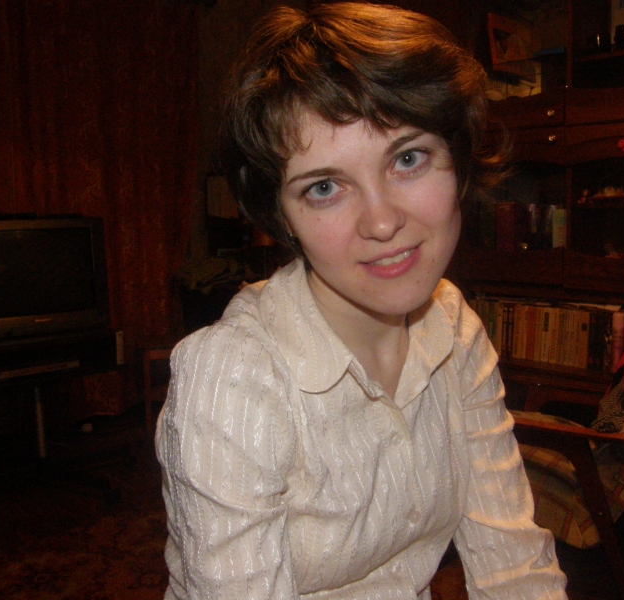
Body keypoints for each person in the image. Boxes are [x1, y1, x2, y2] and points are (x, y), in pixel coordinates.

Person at [155, 3, 568, 599]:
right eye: (324, 187)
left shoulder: (453, 324)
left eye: (407, 158)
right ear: (282, 216)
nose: (381, 222)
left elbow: (513, 564)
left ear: (457, 160)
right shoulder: (232, 379)